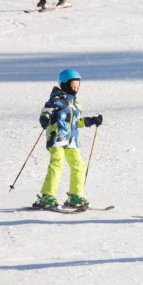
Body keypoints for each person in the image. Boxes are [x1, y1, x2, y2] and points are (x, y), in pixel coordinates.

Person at [32, 68, 104, 210]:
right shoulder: (55, 101)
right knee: (57, 164)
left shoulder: (75, 105)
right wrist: (44, 119)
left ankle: (75, 195)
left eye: (78, 86)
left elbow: (75, 122)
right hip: (57, 138)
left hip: (71, 141)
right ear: (64, 84)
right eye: (73, 85)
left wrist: (91, 121)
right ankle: (47, 196)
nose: (76, 88)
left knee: (79, 165)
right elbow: (45, 112)